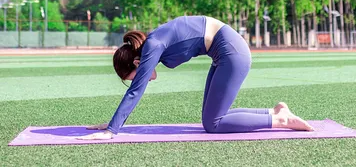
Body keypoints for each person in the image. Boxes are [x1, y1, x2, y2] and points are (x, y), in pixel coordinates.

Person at [79, 16, 313, 140]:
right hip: (224, 52)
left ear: (137, 64)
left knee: (213, 124)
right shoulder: (154, 45)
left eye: (135, 76)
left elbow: (135, 91)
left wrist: (111, 130)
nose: (143, 79)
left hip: (232, 51)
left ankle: (281, 121)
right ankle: (274, 113)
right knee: (211, 118)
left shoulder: (152, 46)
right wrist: (113, 123)